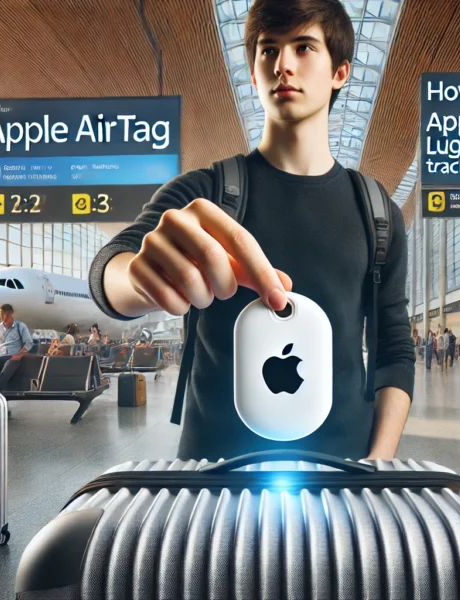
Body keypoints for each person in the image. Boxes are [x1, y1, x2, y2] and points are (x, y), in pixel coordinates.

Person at [88, 0, 414, 461]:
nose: (283, 65)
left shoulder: (377, 212)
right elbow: (112, 267)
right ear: (254, 69)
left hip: (345, 469)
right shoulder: (206, 194)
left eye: (303, 47)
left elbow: (395, 349)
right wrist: (136, 277)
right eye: (268, 50)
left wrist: (377, 463)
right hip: (213, 471)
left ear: (340, 72)